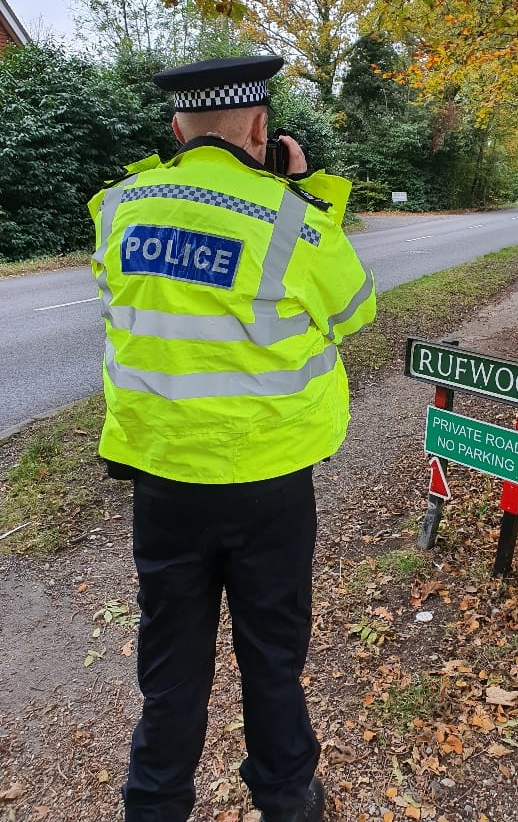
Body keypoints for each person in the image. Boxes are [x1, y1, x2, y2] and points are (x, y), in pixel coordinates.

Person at [88, 55, 376, 822]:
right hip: (270, 484)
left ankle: (154, 806)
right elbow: (355, 311)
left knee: (171, 670)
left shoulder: (118, 208)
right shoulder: (292, 218)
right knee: (272, 662)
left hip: (164, 483)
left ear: (176, 129)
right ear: (260, 129)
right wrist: (306, 192)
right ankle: (286, 801)